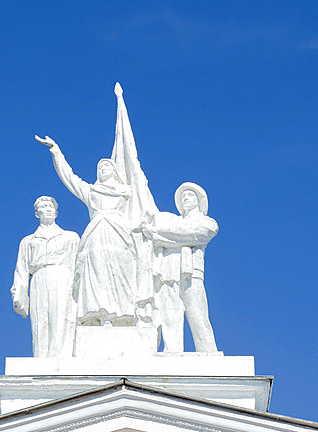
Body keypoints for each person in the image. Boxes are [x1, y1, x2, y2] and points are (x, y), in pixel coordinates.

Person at [36, 135, 139, 326]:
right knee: (99, 276)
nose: (102, 169)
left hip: (121, 236)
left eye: (106, 166)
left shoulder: (128, 191)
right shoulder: (91, 191)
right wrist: (56, 152)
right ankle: (103, 316)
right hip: (97, 235)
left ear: (115, 170)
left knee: (123, 273)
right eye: (99, 167)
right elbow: (70, 178)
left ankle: (124, 315)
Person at [142, 182, 218, 353]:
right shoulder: (173, 221)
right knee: (169, 313)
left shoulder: (207, 222)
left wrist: (158, 235)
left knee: (198, 314)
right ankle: (172, 350)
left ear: (199, 200)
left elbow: (196, 235)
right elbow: (180, 234)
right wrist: (162, 235)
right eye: (183, 196)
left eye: (190, 195)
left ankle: (208, 351)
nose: (185, 198)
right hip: (168, 272)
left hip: (191, 273)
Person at [11, 196, 79, 357]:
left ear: (56, 212)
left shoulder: (70, 237)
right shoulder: (28, 241)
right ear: (36, 213)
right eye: (43, 206)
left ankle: (62, 356)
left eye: (50, 206)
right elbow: (21, 269)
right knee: (40, 319)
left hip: (63, 277)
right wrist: (19, 295)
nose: (48, 209)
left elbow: (80, 266)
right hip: (39, 278)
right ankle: (41, 357)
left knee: (61, 316)